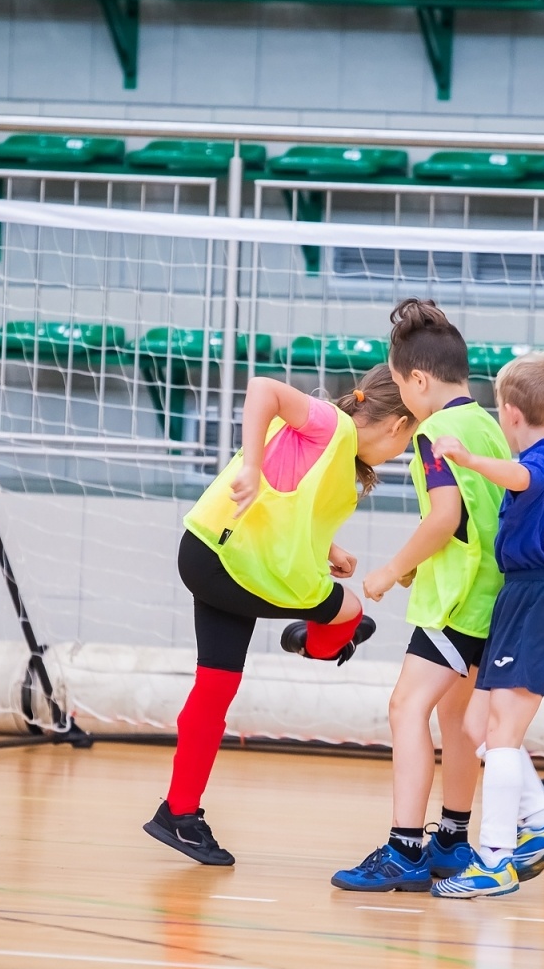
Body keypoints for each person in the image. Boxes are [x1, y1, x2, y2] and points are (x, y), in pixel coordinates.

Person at [144, 365, 416, 866]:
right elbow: (263, 389)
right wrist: (248, 465)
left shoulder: (331, 447)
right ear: (397, 425)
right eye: (408, 442)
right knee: (350, 609)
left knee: (215, 686)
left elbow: (284, 501)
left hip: (215, 556)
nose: (401, 454)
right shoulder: (331, 425)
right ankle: (313, 642)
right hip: (236, 566)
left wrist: (328, 546)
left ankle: (179, 814)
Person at [325, 300, 509, 893]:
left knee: (407, 708)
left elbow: (445, 517)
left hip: (451, 604)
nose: (399, 395)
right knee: (457, 720)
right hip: (490, 598)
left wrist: (388, 569)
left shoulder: (433, 433)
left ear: (419, 381)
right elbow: (476, 521)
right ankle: (452, 844)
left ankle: (405, 848)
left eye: (400, 383)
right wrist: (419, 564)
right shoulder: (488, 429)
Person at [427, 352, 544, 898]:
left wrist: (467, 459)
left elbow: (519, 475)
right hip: (521, 599)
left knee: (501, 736)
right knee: (478, 726)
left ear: (510, 413)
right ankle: (540, 824)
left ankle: (494, 860)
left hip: (541, 601)